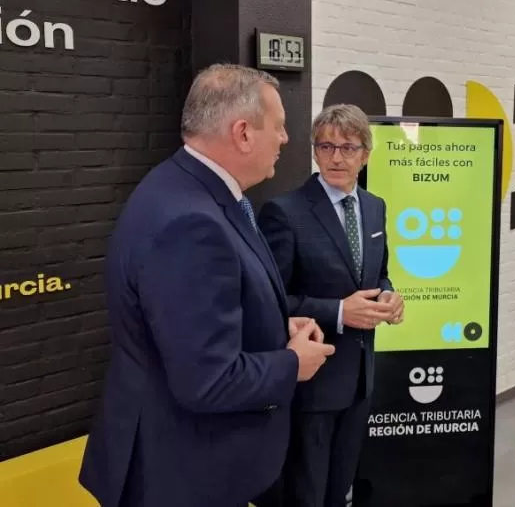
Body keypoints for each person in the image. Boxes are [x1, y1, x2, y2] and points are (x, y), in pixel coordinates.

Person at [79, 64, 336, 507]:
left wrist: (274, 326)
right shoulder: (192, 224)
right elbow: (208, 381)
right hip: (181, 474)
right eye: (278, 126)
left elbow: (188, 326)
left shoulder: (182, 187)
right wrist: (293, 363)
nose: (285, 139)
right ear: (243, 133)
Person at [257, 103, 404, 507]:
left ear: (365, 154)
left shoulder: (374, 206)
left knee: (340, 491)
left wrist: (389, 295)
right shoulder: (284, 213)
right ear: (315, 152)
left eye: (348, 148)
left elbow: (379, 273)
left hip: (360, 380)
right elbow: (270, 301)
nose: (336, 157)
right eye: (326, 147)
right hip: (313, 386)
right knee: (307, 495)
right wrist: (339, 312)